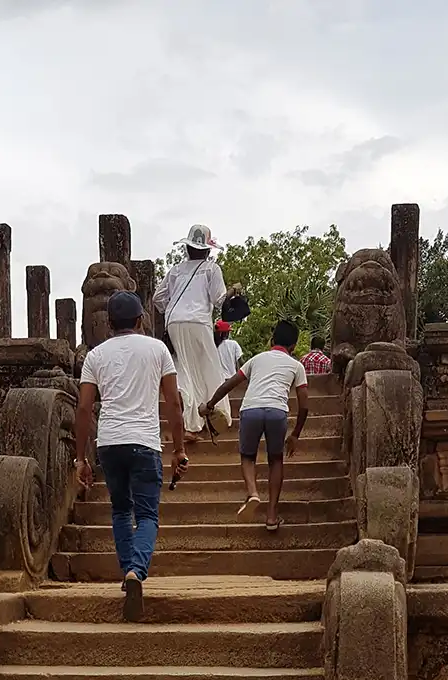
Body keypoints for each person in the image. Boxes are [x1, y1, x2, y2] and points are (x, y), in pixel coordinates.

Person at [75, 291, 187, 622]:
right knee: (148, 515)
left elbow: (83, 408)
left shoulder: (95, 356)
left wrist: (80, 457)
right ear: (141, 320)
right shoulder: (158, 350)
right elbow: (173, 403)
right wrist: (179, 449)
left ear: (108, 324)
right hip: (144, 442)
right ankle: (137, 570)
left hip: (109, 442)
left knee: (121, 511)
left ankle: (128, 573)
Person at [200, 320, 308, 533]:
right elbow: (304, 406)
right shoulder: (297, 366)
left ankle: (252, 493)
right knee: (275, 460)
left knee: (248, 456)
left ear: (272, 340)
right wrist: (295, 434)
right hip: (277, 411)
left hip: (250, 410)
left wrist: (210, 405)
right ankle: (271, 517)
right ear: (294, 346)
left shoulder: (256, 359)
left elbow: (229, 384)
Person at [153, 224, 229, 439]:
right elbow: (219, 299)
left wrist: (170, 311)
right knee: (208, 366)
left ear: (187, 248)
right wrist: (232, 293)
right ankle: (213, 416)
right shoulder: (211, 269)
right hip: (199, 322)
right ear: (207, 250)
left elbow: (157, 298)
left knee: (184, 370)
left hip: (174, 323)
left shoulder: (176, 270)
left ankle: (190, 423)